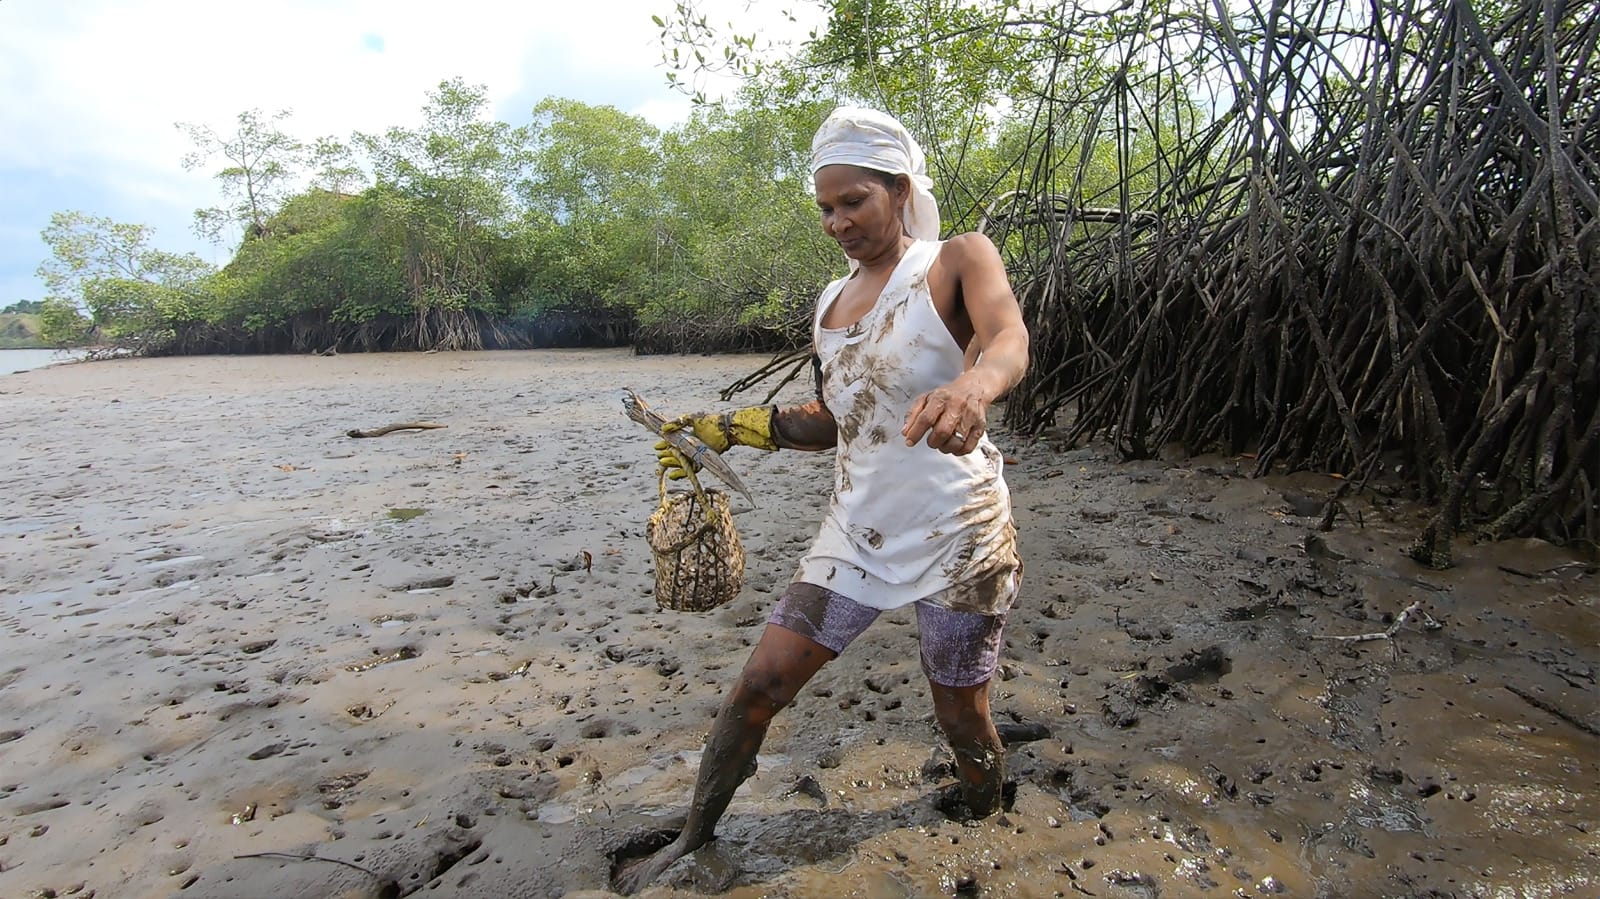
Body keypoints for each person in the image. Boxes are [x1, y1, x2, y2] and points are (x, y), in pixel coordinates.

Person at [616, 106, 1030, 893]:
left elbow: (1009, 337)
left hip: (962, 534)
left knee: (960, 713)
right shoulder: (831, 303)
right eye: (825, 208)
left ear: (899, 190)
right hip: (857, 533)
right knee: (758, 687)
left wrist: (975, 384)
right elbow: (840, 419)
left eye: (854, 201)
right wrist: (731, 427)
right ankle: (692, 838)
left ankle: (983, 809)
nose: (838, 222)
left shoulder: (956, 260)